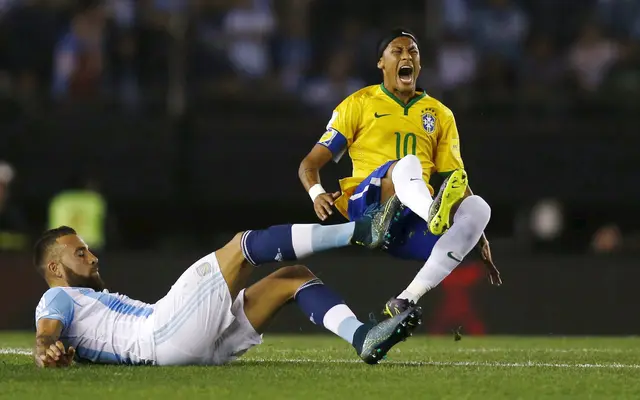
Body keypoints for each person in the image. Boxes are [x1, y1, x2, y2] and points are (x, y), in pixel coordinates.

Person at [298, 28, 501, 317]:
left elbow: (456, 181)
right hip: (369, 207)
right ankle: (432, 213)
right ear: (381, 63)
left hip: (407, 227)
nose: (407, 56)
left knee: (479, 207)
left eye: (413, 52)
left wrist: (478, 234)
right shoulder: (359, 104)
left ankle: (406, 298)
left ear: (419, 64)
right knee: (408, 164)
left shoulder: (440, 114)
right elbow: (308, 164)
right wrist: (317, 194)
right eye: (398, 51)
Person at [33, 224, 421, 368]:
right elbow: (45, 335)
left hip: (189, 347)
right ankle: (360, 230)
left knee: (293, 277)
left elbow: (63, 343)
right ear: (54, 269)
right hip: (161, 334)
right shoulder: (58, 299)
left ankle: (362, 337)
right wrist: (46, 348)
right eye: (79, 253)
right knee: (240, 247)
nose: (93, 256)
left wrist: (61, 355)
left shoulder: (84, 307)